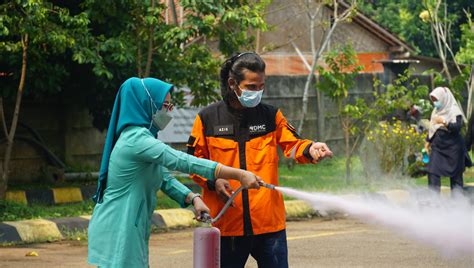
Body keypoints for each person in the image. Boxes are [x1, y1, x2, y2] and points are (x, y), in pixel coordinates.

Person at [87, 77, 262, 267]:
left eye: (170, 105)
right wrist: (239, 174)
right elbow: (183, 161)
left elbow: (163, 178)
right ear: (148, 104)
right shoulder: (136, 141)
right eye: (165, 105)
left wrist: (192, 198)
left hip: (130, 224)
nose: (169, 111)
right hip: (119, 225)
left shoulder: (142, 137)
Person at [187, 52, 333, 268]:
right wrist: (213, 181)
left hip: (268, 226)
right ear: (232, 84)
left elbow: (293, 144)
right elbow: (193, 162)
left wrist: (310, 149)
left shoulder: (271, 116)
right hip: (227, 225)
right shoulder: (208, 118)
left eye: (260, 86)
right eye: (251, 87)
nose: (257, 92)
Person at [424, 86, 471, 195]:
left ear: (444, 98)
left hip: (453, 148)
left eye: (436, 99)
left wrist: (444, 122)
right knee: (432, 171)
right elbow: (432, 128)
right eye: (433, 100)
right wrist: (427, 143)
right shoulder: (436, 111)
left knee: (456, 177)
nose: (435, 102)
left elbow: (457, 128)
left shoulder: (454, 111)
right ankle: (433, 200)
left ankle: (457, 203)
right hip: (438, 146)